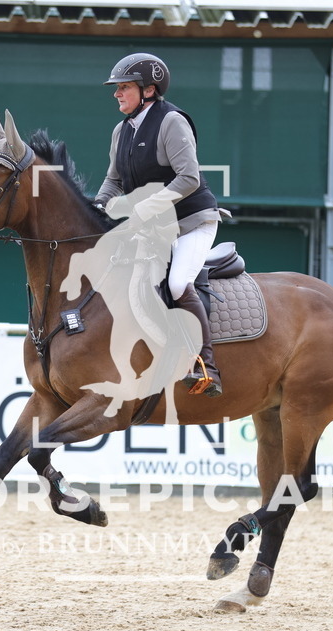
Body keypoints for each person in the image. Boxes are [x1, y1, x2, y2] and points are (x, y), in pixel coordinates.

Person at [94, 52, 223, 398]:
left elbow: (189, 178)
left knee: (178, 283)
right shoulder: (121, 130)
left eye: (124, 87)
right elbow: (112, 181)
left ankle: (205, 366)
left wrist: (144, 207)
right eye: (117, 88)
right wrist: (97, 207)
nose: (117, 94)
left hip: (193, 222)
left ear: (148, 90)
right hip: (153, 228)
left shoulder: (171, 122)